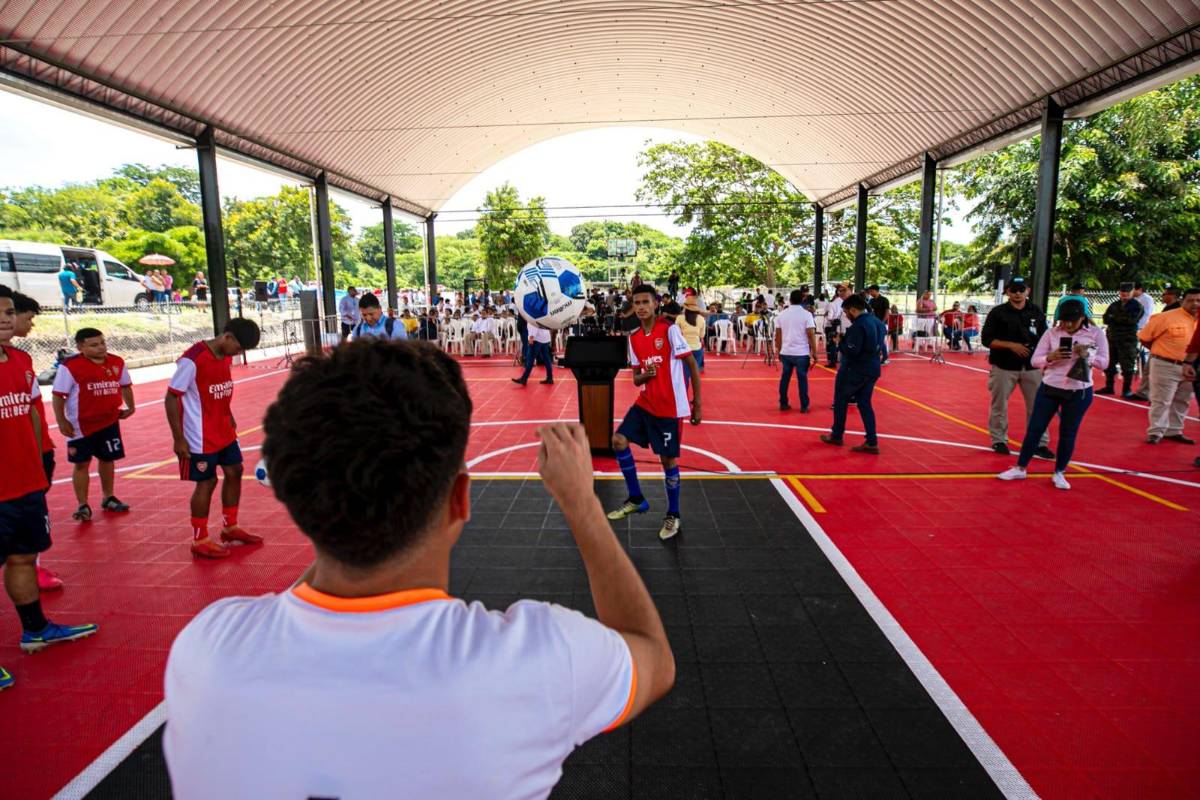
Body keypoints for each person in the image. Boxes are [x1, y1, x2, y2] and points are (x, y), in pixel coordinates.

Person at [163, 342, 672, 797]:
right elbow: (652, 658)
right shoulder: (535, 661)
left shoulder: (206, 648)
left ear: (295, 497)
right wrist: (581, 502)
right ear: (459, 499)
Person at [0, 286, 98, 691]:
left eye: (9, 311)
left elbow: (30, 416)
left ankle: (36, 630)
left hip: (25, 483)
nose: (7, 318)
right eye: (0, 313)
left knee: (24, 558)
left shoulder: (21, 360)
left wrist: (40, 462)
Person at [606, 285, 701, 541]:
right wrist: (644, 375)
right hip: (646, 403)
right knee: (618, 441)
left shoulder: (669, 330)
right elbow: (637, 379)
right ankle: (637, 498)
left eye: (645, 301)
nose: (640, 306)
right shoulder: (634, 338)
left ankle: (673, 514)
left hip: (670, 408)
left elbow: (691, 363)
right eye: (636, 302)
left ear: (655, 304)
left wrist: (697, 403)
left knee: (667, 461)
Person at [166, 318, 262, 559]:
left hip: (224, 429)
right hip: (199, 435)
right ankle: (200, 539)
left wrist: (228, 414)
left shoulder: (225, 356)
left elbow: (219, 387)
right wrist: (178, 438)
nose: (238, 354)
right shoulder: (192, 360)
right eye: (238, 348)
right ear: (227, 337)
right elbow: (171, 397)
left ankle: (230, 527)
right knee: (207, 482)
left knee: (235, 471)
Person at [998, 300, 1109, 490]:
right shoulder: (1052, 333)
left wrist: (1087, 355)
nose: (1067, 325)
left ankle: (1059, 472)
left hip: (1079, 389)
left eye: (1072, 321)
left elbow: (1104, 363)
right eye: (1064, 320)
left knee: (1068, 431)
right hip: (1051, 386)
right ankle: (1020, 467)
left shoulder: (1095, 333)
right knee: (1035, 428)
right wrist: (1050, 357)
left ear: (1082, 317)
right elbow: (1035, 360)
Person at [9, 293, 64, 591]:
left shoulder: (22, 359)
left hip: (34, 452)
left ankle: (33, 567)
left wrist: (41, 446)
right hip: (14, 460)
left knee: (31, 524)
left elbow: (30, 408)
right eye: (26, 318)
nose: (29, 325)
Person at [51, 328, 135, 522]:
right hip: (81, 425)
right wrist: (61, 420)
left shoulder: (117, 362)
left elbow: (125, 385)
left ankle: (109, 497)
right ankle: (82, 504)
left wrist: (131, 406)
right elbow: (58, 396)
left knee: (107, 459)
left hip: (109, 421)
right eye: (94, 345)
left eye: (103, 343)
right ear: (81, 347)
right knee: (81, 463)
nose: (101, 348)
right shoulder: (70, 367)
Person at [980, 277, 1053, 458]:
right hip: (1004, 366)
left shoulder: (1036, 311)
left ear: (1027, 290)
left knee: (1037, 406)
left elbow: (1045, 337)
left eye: (1021, 289)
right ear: (1007, 292)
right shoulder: (998, 313)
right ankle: (998, 440)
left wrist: (1047, 360)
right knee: (999, 405)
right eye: (1013, 290)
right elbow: (986, 340)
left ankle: (1039, 442)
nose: (1018, 293)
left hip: (1032, 366)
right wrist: (1011, 345)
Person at [820, 294, 887, 453]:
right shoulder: (876, 321)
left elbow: (852, 350)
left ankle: (837, 435)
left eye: (846, 312)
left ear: (853, 310)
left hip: (854, 369)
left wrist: (840, 342)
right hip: (872, 368)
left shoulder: (858, 325)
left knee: (841, 401)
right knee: (865, 404)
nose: (846, 316)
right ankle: (871, 441)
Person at [1138, 287, 1199, 444]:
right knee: (1161, 400)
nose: (1195, 304)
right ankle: (1156, 432)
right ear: (1182, 301)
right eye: (1190, 300)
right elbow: (1144, 338)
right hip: (1165, 364)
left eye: (1198, 300)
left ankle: (1174, 430)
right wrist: (1160, 352)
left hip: (1192, 367)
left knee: (1183, 400)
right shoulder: (1165, 317)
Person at [774, 289, 817, 412]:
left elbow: (778, 335)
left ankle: (783, 403)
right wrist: (814, 352)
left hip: (786, 351)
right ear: (803, 299)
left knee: (785, 378)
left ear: (790, 300)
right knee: (802, 379)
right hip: (801, 353)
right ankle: (804, 406)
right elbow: (810, 334)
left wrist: (779, 350)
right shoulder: (807, 315)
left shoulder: (781, 314)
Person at [1099, 282, 1143, 397]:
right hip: (1113, 338)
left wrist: (1114, 318)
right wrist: (1117, 318)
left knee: (1127, 365)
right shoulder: (1114, 304)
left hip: (1127, 340)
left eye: (1127, 292)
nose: (1124, 294)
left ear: (1132, 292)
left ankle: (1126, 389)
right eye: (1122, 292)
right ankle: (1109, 387)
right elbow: (1105, 318)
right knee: (1109, 363)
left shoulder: (1136, 306)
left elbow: (1131, 320)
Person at [1130, 282, 1155, 401]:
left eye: (1133, 289)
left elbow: (1147, 315)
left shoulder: (1147, 299)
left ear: (1139, 289)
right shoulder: (1134, 298)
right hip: (1133, 328)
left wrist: (1140, 328)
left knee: (1141, 353)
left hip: (1141, 328)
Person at [675, 296, 707, 393]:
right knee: (694, 374)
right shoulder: (701, 319)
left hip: (683, 350)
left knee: (684, 374)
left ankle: (683, 395)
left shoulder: (680, 318)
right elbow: (702, 335)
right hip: (697, 349)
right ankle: (695, 395)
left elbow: (676, 333)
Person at [824, 283, 850, 367]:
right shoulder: (844, 302)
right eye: (840, 291)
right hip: (845, 327)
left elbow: (830, 317)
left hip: (836, 326)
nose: (841, 292)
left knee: (833, 344)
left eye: (842, 290)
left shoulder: (833, 304)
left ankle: (833, 361)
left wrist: (829, 318)